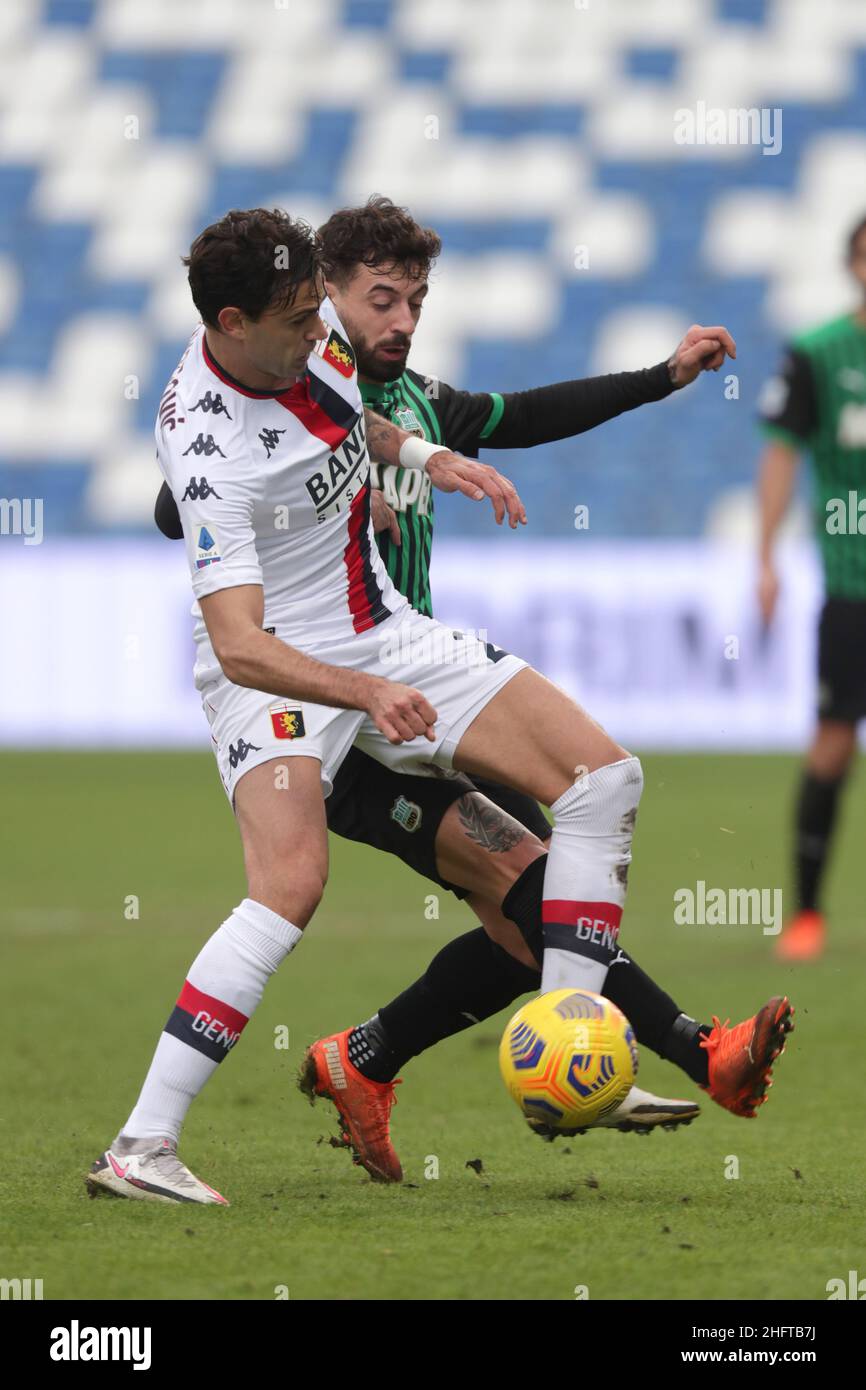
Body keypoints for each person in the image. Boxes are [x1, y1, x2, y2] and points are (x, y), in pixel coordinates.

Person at [86, 207, 791, 1206]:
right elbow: (241, 643)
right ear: (235, 323)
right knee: (289, 883)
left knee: (602, 779)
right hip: (274, 671)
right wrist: (363, 692)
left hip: (380, 627)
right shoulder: (202, 447)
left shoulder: (314, 335)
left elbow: (343, 413)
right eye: (299, 320)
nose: (321, 333)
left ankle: (568, 1034)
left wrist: (422, 458)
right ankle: (140, 1147)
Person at [757, 212, 866, 962]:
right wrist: (763, 556)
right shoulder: (818, 355)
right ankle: (807, 915)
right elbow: (781, 455)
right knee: (833, 743)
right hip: (852, 582)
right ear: (852, 265)